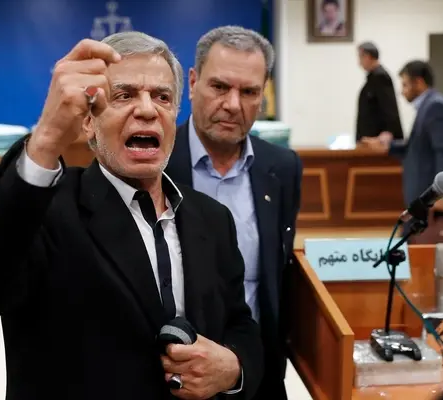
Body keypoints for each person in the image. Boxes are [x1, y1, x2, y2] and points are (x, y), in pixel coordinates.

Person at [0, 32, 264, 399]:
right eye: (124, 95)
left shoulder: (213, 218)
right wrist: (47, 138)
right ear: (88, 122)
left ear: (175, 115)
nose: (147, 110)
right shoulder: (47, 209)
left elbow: (240, 323)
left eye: (162, 97)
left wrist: (233, 367)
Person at [165, 26, 302, 400]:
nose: (233, 104)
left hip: (257, 377)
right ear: (193, 83)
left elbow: (277, 276)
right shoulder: (155, 162)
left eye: (249, 92)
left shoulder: (282, 168)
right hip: (173, 378)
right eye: (220, 86)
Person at [362, 61, 443, 242]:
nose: (402, 91)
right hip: (421, 197)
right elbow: (416, 146)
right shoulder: (427, 106)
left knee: (418, 248)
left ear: (419, 82)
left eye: (405, 84)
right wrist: (387, 146)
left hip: (430, 197)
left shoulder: (435, 106)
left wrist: (441, 195)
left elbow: (442, 151)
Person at [356, 42, 404, 141]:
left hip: (377, 140)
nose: (359, 62)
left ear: (368, 56)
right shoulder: (372, 78)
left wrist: (389, 131)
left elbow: (389, 107)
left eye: (360, 57)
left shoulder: (381, 77)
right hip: (370, 139)